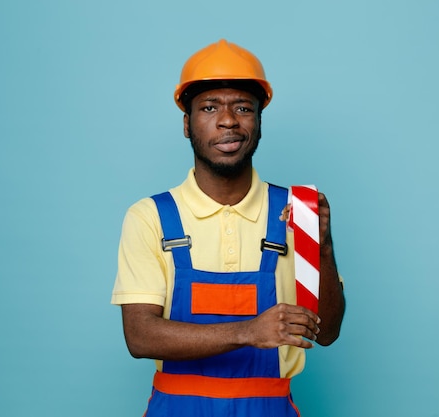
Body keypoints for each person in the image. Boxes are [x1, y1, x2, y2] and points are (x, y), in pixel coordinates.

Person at [111, 39, 345, 417]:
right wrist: (249, 331)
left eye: (242, 108)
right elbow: (139, 336)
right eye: (209, 107)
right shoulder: (150, 217)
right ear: (187, 124)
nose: (228, 120)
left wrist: (325, 249)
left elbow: (328, 332)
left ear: (259, 123)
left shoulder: (294, 210)